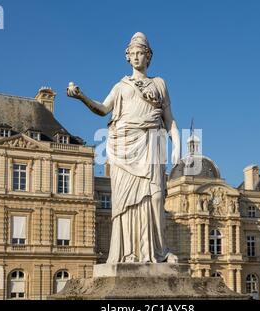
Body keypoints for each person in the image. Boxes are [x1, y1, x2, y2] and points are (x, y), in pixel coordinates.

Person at [67, 32, 181, 264]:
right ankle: (129, 252)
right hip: (125, 146)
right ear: (128, 57)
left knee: (157, 197)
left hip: (153, 141)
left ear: (148, 57)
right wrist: (81, 97)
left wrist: (177, 145)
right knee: (127, 201)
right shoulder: (121, 86)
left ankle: (159, 251)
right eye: (134, 53)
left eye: (142, 53)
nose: (138, 57)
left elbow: (170, 120)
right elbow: (102, 108)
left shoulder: (160, 83)